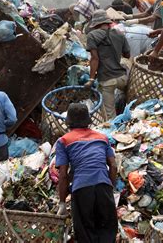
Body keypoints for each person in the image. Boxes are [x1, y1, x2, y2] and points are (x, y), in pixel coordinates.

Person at [56, 103, 118, 242]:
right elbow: (113, 166)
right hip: (103, 186)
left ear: (69, 122)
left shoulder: (64, 141)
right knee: (107, 231)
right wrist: (110, 188)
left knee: (85, 233)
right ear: (88, 121)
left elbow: (64, 175)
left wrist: (61, 203)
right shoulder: (102, 138)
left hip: (81, 189)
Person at [84, 10, 130, 120]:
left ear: (96, 24)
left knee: (110, 115)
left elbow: (95, 59)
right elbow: (127, 55)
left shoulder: (92, 35)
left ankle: (114, 133)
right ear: (107, 22)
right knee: (126, 103)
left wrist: (91, 79)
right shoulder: (119, 34)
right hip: (122, 78)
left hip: (107, 80)